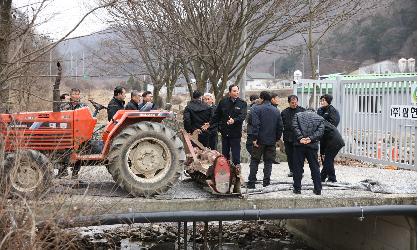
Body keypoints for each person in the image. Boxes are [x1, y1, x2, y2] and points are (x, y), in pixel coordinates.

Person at [247, 91, 283, 189]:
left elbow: (255, 125)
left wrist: (254, 138)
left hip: (259, 140)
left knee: (254, 160)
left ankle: (251, 182)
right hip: (271, 140)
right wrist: (277, 138)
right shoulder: (276, 110)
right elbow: (280, 126)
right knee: (268, 162)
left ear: (262, 98)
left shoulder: (256, 109)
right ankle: (266, 182)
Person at [209, 84, 247, 168]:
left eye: (237, 91)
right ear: (229, 92)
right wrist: (209, 124)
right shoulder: (223, 102)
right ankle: (225, 169)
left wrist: (234, 120)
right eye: (234, 91)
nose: (236, 93)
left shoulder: (242, 103)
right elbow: (217, 116)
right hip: (225, 132)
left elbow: (242, 116)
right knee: (225, 154)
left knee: (236, 153)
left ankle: (237, 169)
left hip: (236, 133)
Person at [291, 109, 325, 195]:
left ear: (305, 111)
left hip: (299, 144)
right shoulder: (320, 118)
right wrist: (310, 138)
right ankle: (318, 189)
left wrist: (300, 138)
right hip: (312, 145)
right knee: (314, 167)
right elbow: (320, 132)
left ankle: (297, 188)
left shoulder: (298, 115)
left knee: (298, 167)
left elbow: (294, 126)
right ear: (314, 112)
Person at [281, 95, 305, 177]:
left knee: (299, 155)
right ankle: (292, 170)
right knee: (290, 155)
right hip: (288, 137)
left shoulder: (302, 111)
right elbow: (281, 125)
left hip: (299, 137)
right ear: (289, 103)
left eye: (295, 102)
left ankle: (300, 171)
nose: (294, 104)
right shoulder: (284, 112)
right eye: (292, 103)